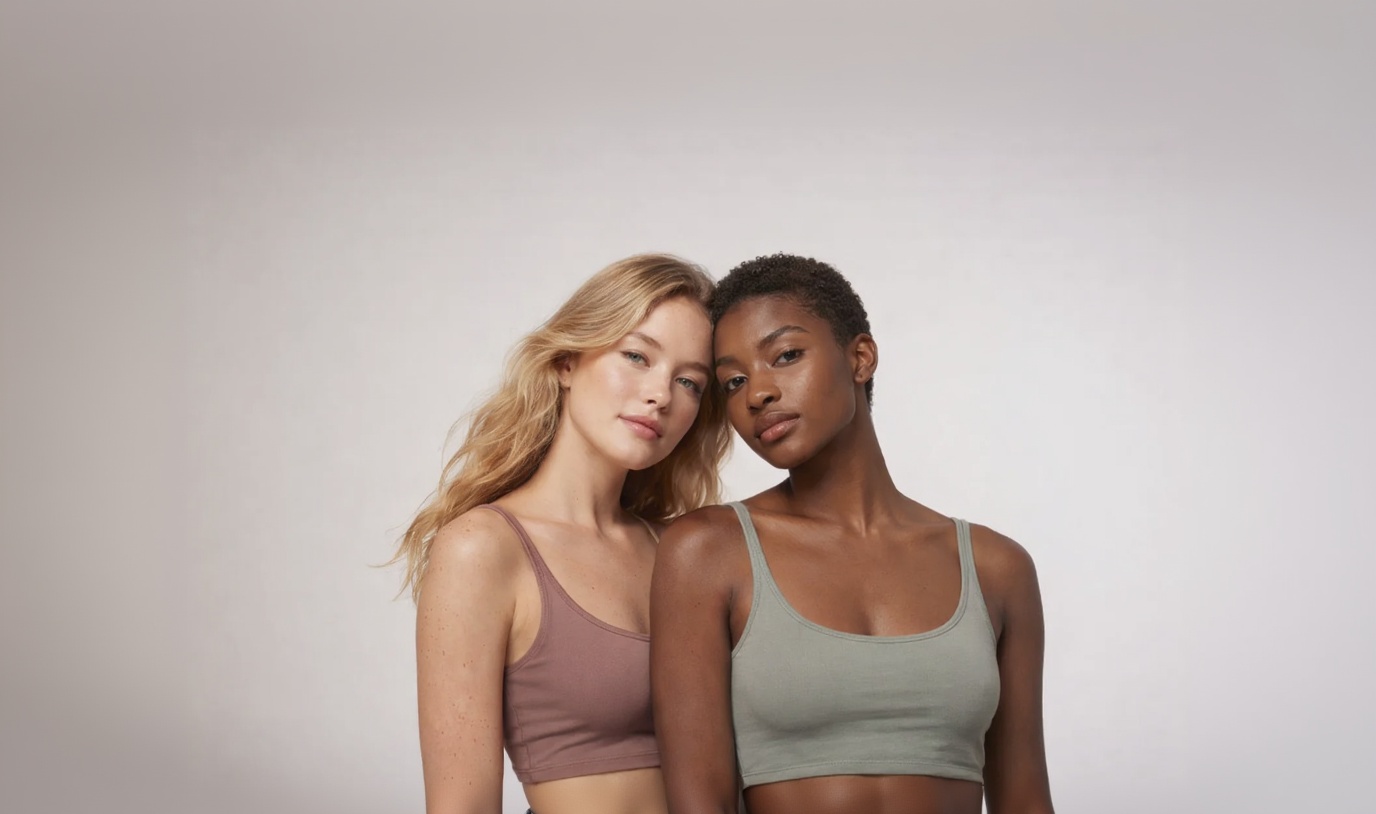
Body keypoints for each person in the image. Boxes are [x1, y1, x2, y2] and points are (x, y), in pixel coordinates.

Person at [651, 253, 1054, 814]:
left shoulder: (996, 566)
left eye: (786, 356)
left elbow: (1026, 799)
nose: (757, 394)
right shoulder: (708, 552)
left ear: (860, 357)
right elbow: (700, 804)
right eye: (733, 381)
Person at [393, 254, 731, 814]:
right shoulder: (483, 549)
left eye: (689, 382)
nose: (661, 395)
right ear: (568, 361)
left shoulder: (681, 549)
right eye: (636, 356)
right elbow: (461, 806)